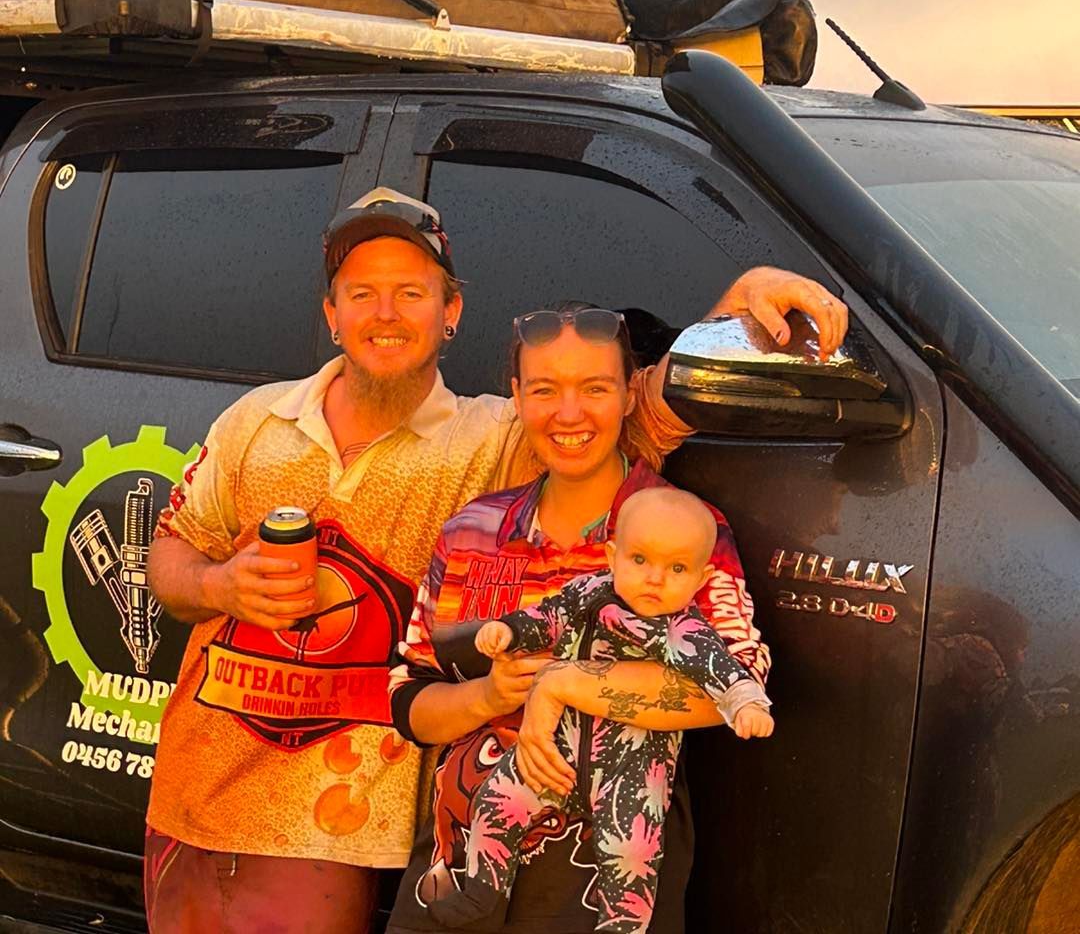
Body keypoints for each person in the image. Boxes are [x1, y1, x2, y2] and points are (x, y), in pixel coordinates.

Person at [143, 186, 847, 933]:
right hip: (192, 793)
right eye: (363, 294)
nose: (385, 314)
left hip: (326, 832)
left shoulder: (489, 440)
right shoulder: (255, 419)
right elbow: (171, 554)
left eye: (411, 292)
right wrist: (219, 583)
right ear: (332, 315)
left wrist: (732, 315)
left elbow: (625, 411)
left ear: (452, 313)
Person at [386, 304, 773, 934]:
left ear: (629, 394)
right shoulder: (472, 531)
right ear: (516, 397)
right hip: (458, 868)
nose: (569, 414)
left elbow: (729, 687)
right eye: (544, 389)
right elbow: (411, 698)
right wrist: (486, 694)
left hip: (600, 875)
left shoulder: (682, 532)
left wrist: (565, 684)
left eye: (594, 388)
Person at [429, 487, 773, 934]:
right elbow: (547, 617)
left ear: (701, 579)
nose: (655, 578)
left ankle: (622, 925)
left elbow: (721, 670)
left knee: (633, 854)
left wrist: (746, 704)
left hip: (631, 767)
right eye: (640, 560)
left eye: (677, 568)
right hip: (558, 751)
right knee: (498, 800)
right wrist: (508, 631)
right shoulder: (590, 592)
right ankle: (480, 886)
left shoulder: (683, 630)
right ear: (613, 555)